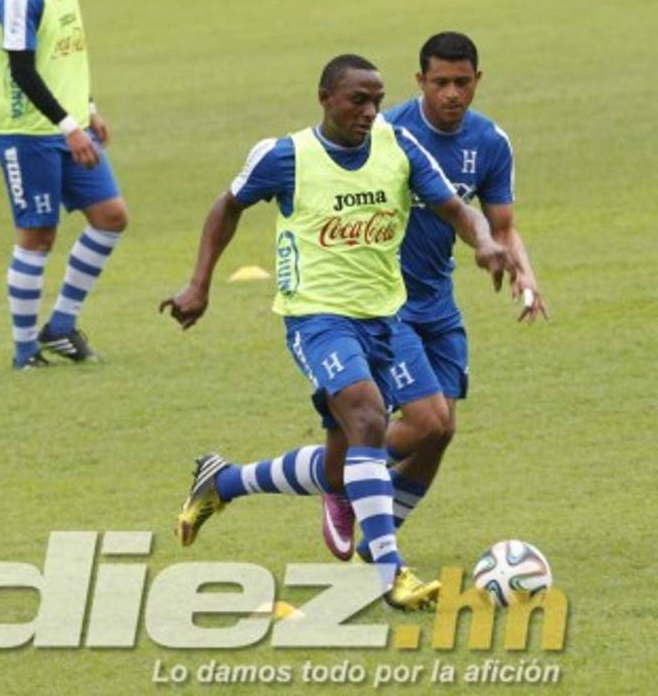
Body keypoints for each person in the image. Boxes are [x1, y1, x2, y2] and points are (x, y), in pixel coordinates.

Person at [160, 54, 517, 610]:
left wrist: (487, 242)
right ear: (325, 97)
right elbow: (226, 207)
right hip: (318, 318)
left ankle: (222, 483)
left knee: (407, 435)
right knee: (369, 419)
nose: (370, 110)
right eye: (358, 99)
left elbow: (454, 207)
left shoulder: (398, 147)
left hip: (387, 318)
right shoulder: (286, 156)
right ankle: (389, 573)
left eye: (377, 99)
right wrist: (198, 286)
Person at [320, 32, 548, 562]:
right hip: (384, 300)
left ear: (477, 81)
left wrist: (526, 275)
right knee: (427, 422)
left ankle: (381, 538)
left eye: (462, 83)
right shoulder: (385, 132)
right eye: (440, 82)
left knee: (442, 433)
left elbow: (503, 225)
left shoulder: (489, 143)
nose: (451, 94)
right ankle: (340, 479)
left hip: (437, 301)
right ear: (419, 80)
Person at [0, 0, 129, 369]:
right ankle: (25, 351)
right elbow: (23, 69)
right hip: (25, 132)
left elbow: (62, 54)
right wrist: (69, 126)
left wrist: (87, 106)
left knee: (111, 217)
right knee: (37, 235)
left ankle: (61, 327)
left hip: (68, 126)